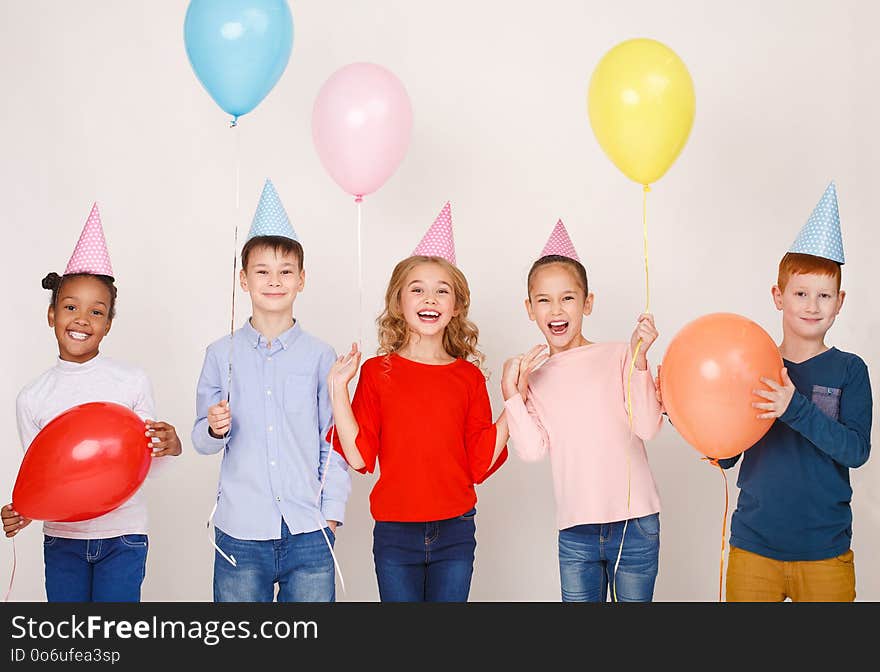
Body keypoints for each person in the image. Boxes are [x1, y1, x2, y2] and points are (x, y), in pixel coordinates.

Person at [328, 202, 508, 602]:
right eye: (418, 289)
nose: (430, 298)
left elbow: (479, 465)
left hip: (456, 530)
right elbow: (359, 458)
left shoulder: (468, 377)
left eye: (442, 290)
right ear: (399, 303)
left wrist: (513, 406)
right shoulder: (377, 372)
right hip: (396, 533)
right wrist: (339, 391)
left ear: (457, 306)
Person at [1, 202, 181, 602]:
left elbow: (148, 466)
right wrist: (23, 509)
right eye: (70, 308)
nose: (82, 319)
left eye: (96, 312)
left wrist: (171, 444)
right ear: (51, 315)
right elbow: (45, 473)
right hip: (62, 541)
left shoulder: (131, 380)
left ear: (108, 324)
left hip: (124, 537)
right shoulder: (32, 398)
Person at [192, 179, 350, 602]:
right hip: (240, 531)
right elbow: (201, 441)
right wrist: (214, 427)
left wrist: (330, 517)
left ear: (302, 279)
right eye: (262, 271)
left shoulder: (320, 355)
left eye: (285, 272)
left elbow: (331, 441)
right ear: (243, 280)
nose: (274, 281)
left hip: (308, 528)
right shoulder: (219, 353)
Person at [718, 182, 872, 602]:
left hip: (826, 552)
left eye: (824, 295)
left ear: (840, 302)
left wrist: (794, 408)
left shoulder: (850, 370)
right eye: (801, 293)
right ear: (778, 296)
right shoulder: (753, 363)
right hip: (754, 548)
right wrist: (689, 410)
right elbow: (728, 454)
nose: (812, 305)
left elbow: (856, 450)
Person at [502, 220, 663, 602]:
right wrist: (512, 394)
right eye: (544, 300)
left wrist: (640, 360)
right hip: (576, 531)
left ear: (588, 303)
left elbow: (648, 426)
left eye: (568, 298)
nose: (556, 310)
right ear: (529, 309)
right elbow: (531, 450)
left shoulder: (619, 354)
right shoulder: (535, 377)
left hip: (635, 524)